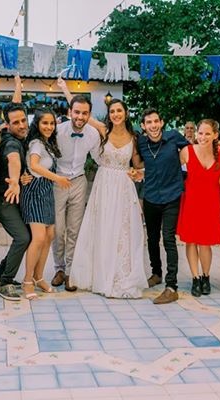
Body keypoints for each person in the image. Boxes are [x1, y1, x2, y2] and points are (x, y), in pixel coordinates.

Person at [71, 98, 148, 298]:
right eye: (112, 111)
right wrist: (63, 87)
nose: (115, 114)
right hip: (104, 183)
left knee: (123, 229)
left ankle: (120, 275)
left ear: (126, 113)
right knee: (103, 227)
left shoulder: (134, 138)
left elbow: (138, 165)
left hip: (123, 186)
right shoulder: (104, 130)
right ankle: (100, 275)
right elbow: (81, 111)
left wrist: (141, 171)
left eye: (119, 111)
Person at [133, 109, 190, 304]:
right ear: (143, 126)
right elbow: (137, 163)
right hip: (150, 195)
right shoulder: (141, 142)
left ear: (162, 122)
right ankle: (156, 273)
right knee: (152, 238)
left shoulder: (173, 137)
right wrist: (137, 173)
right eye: (149, 122)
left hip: (172, 195)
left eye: (156, 121)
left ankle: (171, 286)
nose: (153, 125)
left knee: (168, 239)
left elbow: (193, 151)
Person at [52, 79, 103, 291]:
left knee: (74, 229)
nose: (80, 117)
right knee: (58, 230)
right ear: (70, 112)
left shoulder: (93, 134)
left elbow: (99, 159)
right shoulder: (57, 131)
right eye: (77, 112)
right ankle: (58, 269)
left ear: (89, 115)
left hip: (79, 181)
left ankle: (70, 272)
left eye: (84, 113)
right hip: (57, 181)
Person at [20, 109, 71, 299]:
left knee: (49, 235)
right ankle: (27, 281)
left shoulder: (48, 143)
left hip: (47, 192)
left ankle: (39, 277)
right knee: (39, 238)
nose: (49, 127)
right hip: (34, 192)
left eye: (51, 123)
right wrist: (58, 178)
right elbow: (34, 165)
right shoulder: (36, 143)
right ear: (37, 124)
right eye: (45, 123)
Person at [177, 119, 220, 297]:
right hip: (191, 201)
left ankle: (206, 276)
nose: (203, 137)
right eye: (200, 133)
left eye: (207, 133)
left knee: (205, 244)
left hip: (211, 203)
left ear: (215, 135)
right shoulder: (187, 151)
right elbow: (172, 170)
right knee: (191, 242)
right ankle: (195, 277)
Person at [0, 102, 31, 301]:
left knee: (28, 235)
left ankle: (0, 271)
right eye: (16, 122)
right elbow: (13, 159)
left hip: (13, 197)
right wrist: (15, 180)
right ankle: (5, 282)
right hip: (4, 198)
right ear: (7, 124)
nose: (21, 125)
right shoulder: (10, 143)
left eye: (24, 120)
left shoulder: (18, 137)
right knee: (23, 237)